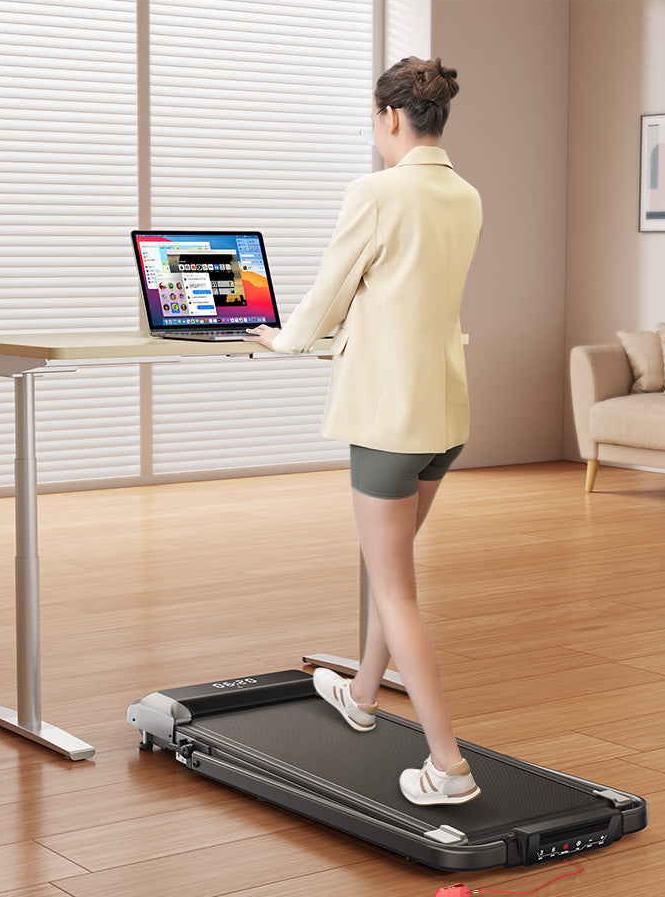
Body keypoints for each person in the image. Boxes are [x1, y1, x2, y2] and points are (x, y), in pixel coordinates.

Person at [247, 56, 482, 806]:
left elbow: (330, 285)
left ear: (389, 118)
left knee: (394, 587)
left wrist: (281, 339)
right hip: (445, 414)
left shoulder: (376, 191)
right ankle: (363, 696)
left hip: (390, 413)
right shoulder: (466, 194)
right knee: (396, 571)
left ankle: (447, 766)